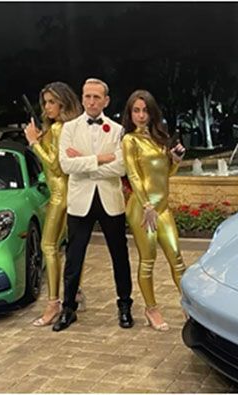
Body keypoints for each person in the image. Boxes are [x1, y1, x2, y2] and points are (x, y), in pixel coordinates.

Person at [53, 78, 134, 331]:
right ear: (82, 97)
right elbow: (67, 166)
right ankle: (68, 308)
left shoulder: (118, 129)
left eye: (96, 97)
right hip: (80, 202)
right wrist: (100, 159)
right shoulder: (69, 129)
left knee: (120, 256)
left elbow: (121, 166)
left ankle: (124, 306)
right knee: (74, 257)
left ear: (106, 101)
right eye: (87, 96)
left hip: (110, 200)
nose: (91, 101)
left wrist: (85, 164)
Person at [121, 90, 186, 332]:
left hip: (162, 208)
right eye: (136, 110)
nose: (140, 115)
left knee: (177, 259)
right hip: (142, 208)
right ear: (130, 113)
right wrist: (146, 204)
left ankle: (188, 305)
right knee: (148, 261)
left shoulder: (159, 137)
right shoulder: (130, 140)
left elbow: (164, 176)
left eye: (145, 110)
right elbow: (134, 175)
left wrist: (176, 162)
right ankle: (151, 309)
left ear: (152, 112)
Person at [23, 82, 87, 327]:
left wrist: (34, 143)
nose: (47, 107)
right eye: (45, 102)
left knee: (48, 245)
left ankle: (53, 303)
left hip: (61, 195)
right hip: (63, 193)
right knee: (68, 247)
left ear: (63, 102)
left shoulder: (61, 129)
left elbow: (56, 165)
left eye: (52, 102)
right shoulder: (60, 128)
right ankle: (74, 292)